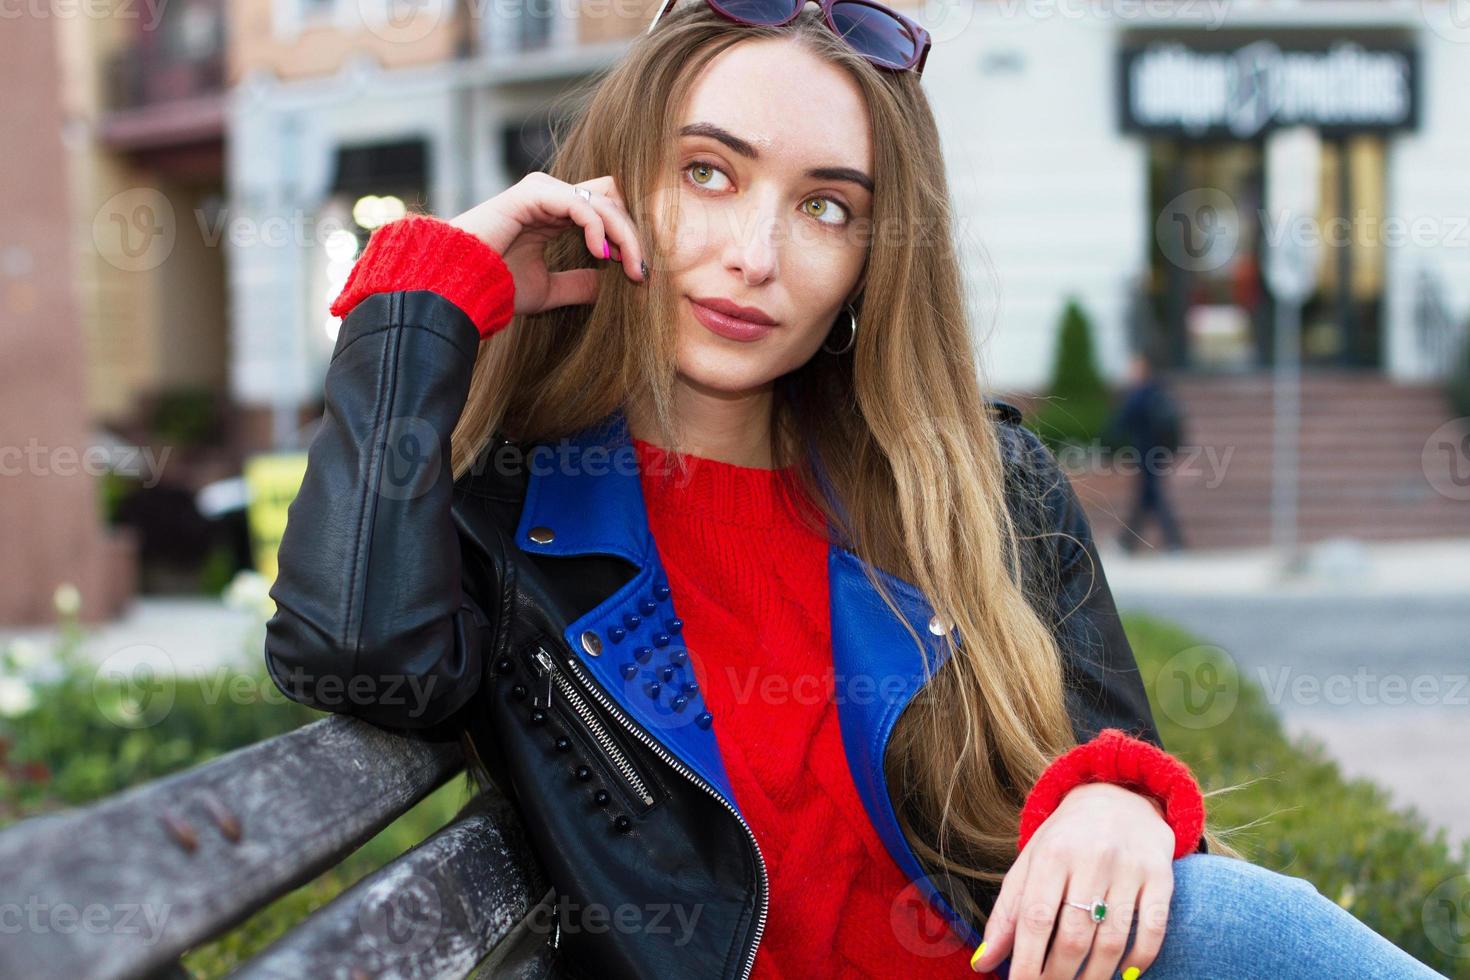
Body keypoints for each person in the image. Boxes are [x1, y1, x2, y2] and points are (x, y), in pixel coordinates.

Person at [261, 3, 1449, 978]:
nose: (757, 254)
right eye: (708, 173)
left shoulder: (978, 484)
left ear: (873, 262)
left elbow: (1107, 742)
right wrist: (427, 298)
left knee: (1235, 914)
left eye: (827, 206)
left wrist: (1117, 803)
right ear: (617, 190)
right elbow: (355, 646)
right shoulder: (508, 515)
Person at [1107, 352, 1188, 554]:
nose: (1131, 372)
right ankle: (1130, 542)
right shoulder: (1156, 390)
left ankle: (1168, 543)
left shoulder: (1143, 393)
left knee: (1151, 498)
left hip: (1148, 452)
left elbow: (1125, 418)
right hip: (1154, 452)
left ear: (1144, 368)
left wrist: (1107, 440)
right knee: (1147, 498)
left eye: (1135, 367)